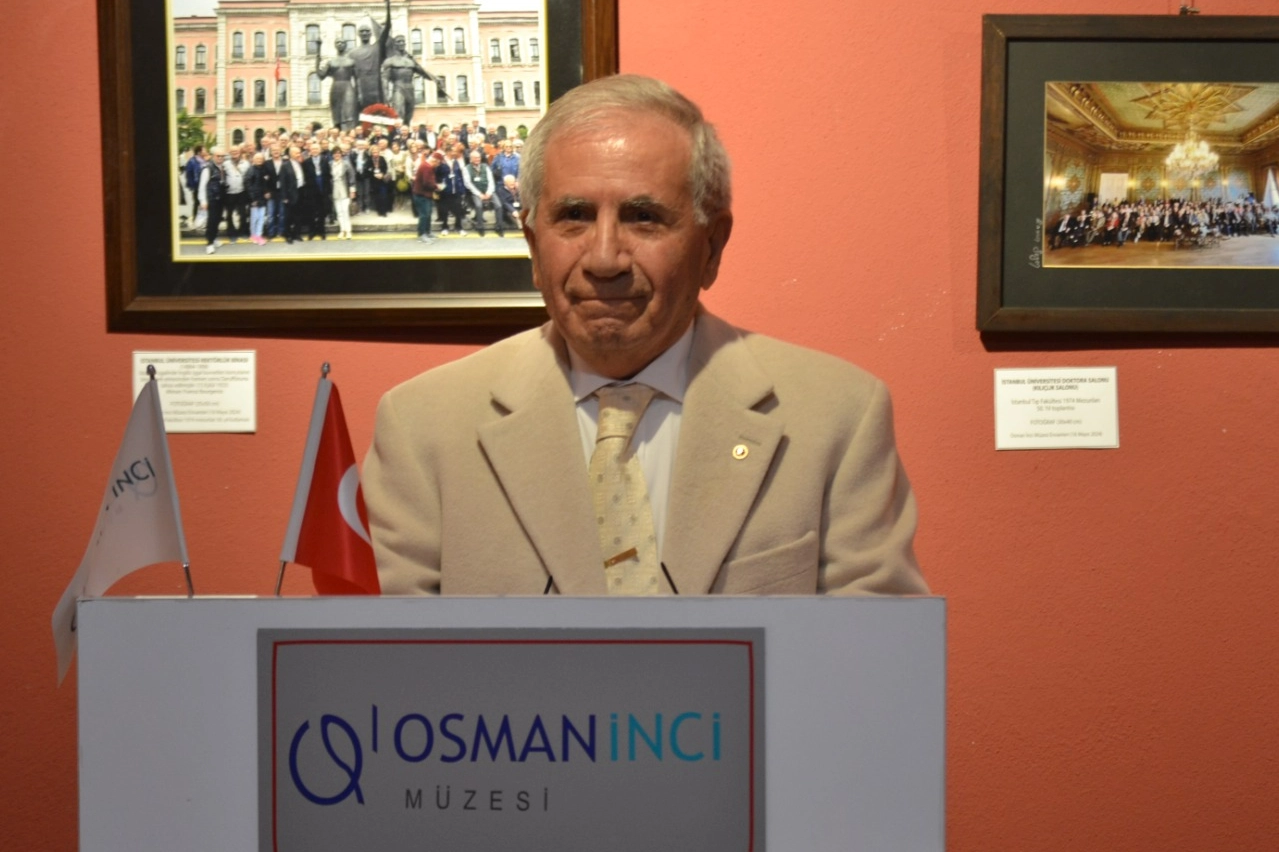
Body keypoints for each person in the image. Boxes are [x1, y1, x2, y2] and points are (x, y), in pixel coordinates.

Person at [364, 75, 926, 597]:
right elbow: (388, 659)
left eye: (643, 217)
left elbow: (875, 654)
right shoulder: (423, 427)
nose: (604, 259)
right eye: (574, 215)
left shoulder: (836, 418)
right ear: (534, 245)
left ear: (712, 246)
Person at [318, 39, 359, 130]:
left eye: (342, 42)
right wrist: (317, 57)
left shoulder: (351, 61)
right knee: (336, 115)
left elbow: (357, 78)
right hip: (336, 87)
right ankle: (338, 132)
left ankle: (349, 132)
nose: (340, 44)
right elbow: (321, 76)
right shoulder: (331, 62)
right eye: (337, 42)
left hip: (348, 86)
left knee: (349, 113)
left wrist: (358, 93)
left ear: (345, 45)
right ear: (335, 45)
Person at [197, 146, 225, 254]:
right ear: (213, 156)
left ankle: (214, 238)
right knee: (211, 221)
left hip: (220, 198)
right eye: (218, 156)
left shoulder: (222, 167)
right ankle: (209, 244)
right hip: (212, 199)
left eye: (222, 156)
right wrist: (203, 201)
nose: (220, 158)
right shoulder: (207, 168)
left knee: (217, 220)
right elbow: (202, 186)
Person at [330, 146, 357, 239]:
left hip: (344, 189)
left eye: (338, 153)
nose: (337, 155)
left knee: (345, 211)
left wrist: (352, 190)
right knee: (339, 212)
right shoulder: (330, 164)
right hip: (335, 190)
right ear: (332, 155)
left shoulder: (346, 164)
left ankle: (348, 231)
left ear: (341, 154)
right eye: (335, 153)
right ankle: (342, 230)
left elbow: (352, 177)